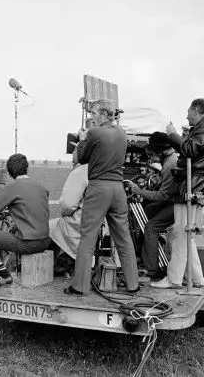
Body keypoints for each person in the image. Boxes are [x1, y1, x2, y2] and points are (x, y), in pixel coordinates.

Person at [66, 99, 139, 295]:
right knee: (123, 237)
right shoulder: (122, 133)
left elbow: (82, 158)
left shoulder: (95, 133)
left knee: (88, 237)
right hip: (117, 189)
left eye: (94, 114)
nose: (91, 118)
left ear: (104, 114)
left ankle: (79, 286)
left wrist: (82, 139)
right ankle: (133, 284)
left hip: (99, 188)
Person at [151, 98, 204, 289]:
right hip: (198, 184)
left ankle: (173, 279)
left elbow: (189, 150)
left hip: (193, 184)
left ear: (197, 111)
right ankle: (197, 278)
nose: (186, 116)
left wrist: (172, 135)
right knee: (187, 234)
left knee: (181, 233)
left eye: (188, 112)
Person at [0, 153, 50, 287]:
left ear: (9, 172)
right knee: (14, 230)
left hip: (29, 243)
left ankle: (4, 275)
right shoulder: (41, 187)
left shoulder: (12, 187)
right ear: (26, 168)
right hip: (45, 241)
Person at [124, 132, 179, 281]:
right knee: (147, 210)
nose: (150, 159)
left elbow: (162, 196)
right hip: (174, 200)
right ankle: (143, 255)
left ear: (160, 152)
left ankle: (154, 271)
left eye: (151, 155)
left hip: (177, 203)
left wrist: (139, 191)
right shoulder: (171, 159)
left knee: (150, 227)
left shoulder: (169, 165)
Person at [48, 149, 89, 266]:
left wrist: (65, 213)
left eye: (75, 150)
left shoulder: (81, 171)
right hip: (92, 220)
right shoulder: (98, 168)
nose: (72, 154)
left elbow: (68, 205)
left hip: (79, 222)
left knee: (50, 228)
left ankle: (56, 264)